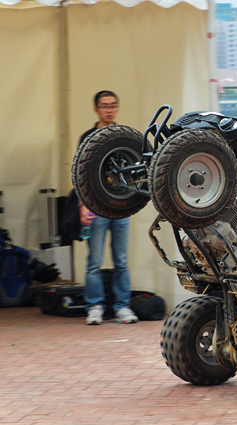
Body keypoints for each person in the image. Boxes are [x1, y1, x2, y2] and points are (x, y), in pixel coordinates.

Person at [78, 90, 138, 325]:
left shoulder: (123, 136)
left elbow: (135, 171)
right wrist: (83, 206)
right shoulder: (87, 137)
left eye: (113, 105)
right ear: (96, 109)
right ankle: (95, 306)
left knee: (121, 261)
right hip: (96, 207)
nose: (109, 109)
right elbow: (80, 175)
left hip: (121, 208)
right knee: (95, 261)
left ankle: (122, 306)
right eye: (104, 106)